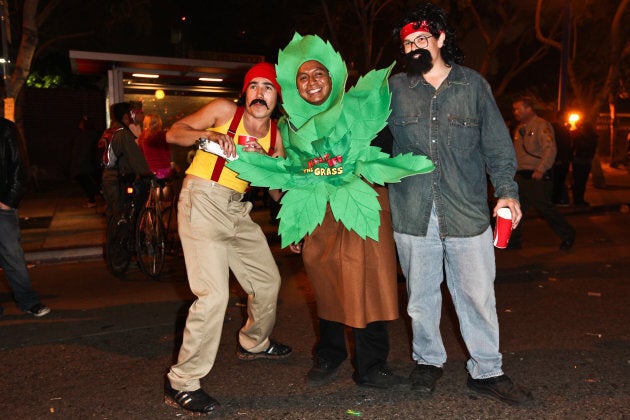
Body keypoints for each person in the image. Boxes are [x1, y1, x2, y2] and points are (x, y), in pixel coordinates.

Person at [387, 2, 533, 406]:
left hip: (466, 211)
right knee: (420, 297)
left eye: (422, 38)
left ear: (440, 39)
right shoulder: (394, 89)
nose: (415, 46)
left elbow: (498, 147)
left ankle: (487, 371)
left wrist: (507, 191)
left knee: (476, 294)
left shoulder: (472, 85)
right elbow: (362, 136)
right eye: (408, 42)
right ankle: (428, 362)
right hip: (413, 211)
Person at [269, 34, 429, 389]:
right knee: (326, 285)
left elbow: (387, 150)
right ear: (294, 86)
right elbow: (287, 177)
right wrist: (295, 227)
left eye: (319, 74)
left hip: (364, 203)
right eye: (303, 77)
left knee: (369, 284)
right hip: (318, 213)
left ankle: (372, 366)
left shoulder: (359, 106)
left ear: (334, 77)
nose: (312, 82)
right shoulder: (288, 126)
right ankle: (330, 354)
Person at [163, 62, 291, 416]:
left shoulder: (277, 137)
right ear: (245, 93)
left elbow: (279, 191)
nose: (260, 93)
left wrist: (300, 207)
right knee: (214, 295)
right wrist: (206, 136)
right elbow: (175, 133)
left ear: (277, 97)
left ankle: (253, 343)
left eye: (268, 87)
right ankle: (182, 382)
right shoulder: (224, 112)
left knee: (268, 281)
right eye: (254, 86)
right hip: (202, 199)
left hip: (238, 209)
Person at [0, 117, 51, 318]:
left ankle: (28, 301)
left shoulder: (5, 129)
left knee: (12, 256)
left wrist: (8, 201)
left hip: (2, 205)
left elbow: (19, 166)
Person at [511, 97, 575, 250]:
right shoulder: (520, 128)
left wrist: (541, 169)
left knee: (546, 209)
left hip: (535, 177)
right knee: (514, 209)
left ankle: (568, 235)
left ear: (529, 109)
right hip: (521, 176)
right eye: (515, 109)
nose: (515, 112)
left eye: (518, 109)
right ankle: (513, 241)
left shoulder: (541, 125)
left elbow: (550, 149)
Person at [100, 102, 153, 219]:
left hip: (107, 177)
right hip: (118, 179)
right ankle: (123, 237)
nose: (131, 117)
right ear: (125, 116)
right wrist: (148, 173)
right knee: (122, 214)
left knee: (112, 214)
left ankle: (113, 236)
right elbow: (135, 157)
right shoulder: (123, 134)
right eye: (130, 114)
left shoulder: (109, 131)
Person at [71, 116, 100, 208]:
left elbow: (85, 150)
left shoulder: (87, 135)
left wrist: (79, 161)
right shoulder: (88, 135)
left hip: (85, 164)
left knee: (86, 180)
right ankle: (91, 198)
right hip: (87, 164)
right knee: (87, 180)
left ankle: (92, 199)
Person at [570, 120, 598, 206]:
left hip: (579, 160)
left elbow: (574, 147)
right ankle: (579, 199)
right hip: (584, 160)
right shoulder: (593, 137)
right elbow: (593, 148)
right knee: (581, 182)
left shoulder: (580, 137)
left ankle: (577, 199)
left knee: (578, 181)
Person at [138, 113, 173, 179]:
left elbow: (140, 154)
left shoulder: (142, 137)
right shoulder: (163, 136)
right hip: (164, 170)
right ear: (159, 123)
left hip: (149, 170)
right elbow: (168, 154)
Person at [550, 114, 572, 206]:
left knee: (559, 181)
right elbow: (559, 145)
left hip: (561, 159)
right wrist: (558, 158)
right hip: (559, 160)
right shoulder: (558, 130)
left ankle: (557, 199)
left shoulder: (562, 130)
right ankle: (556, 199)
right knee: (557, 181)